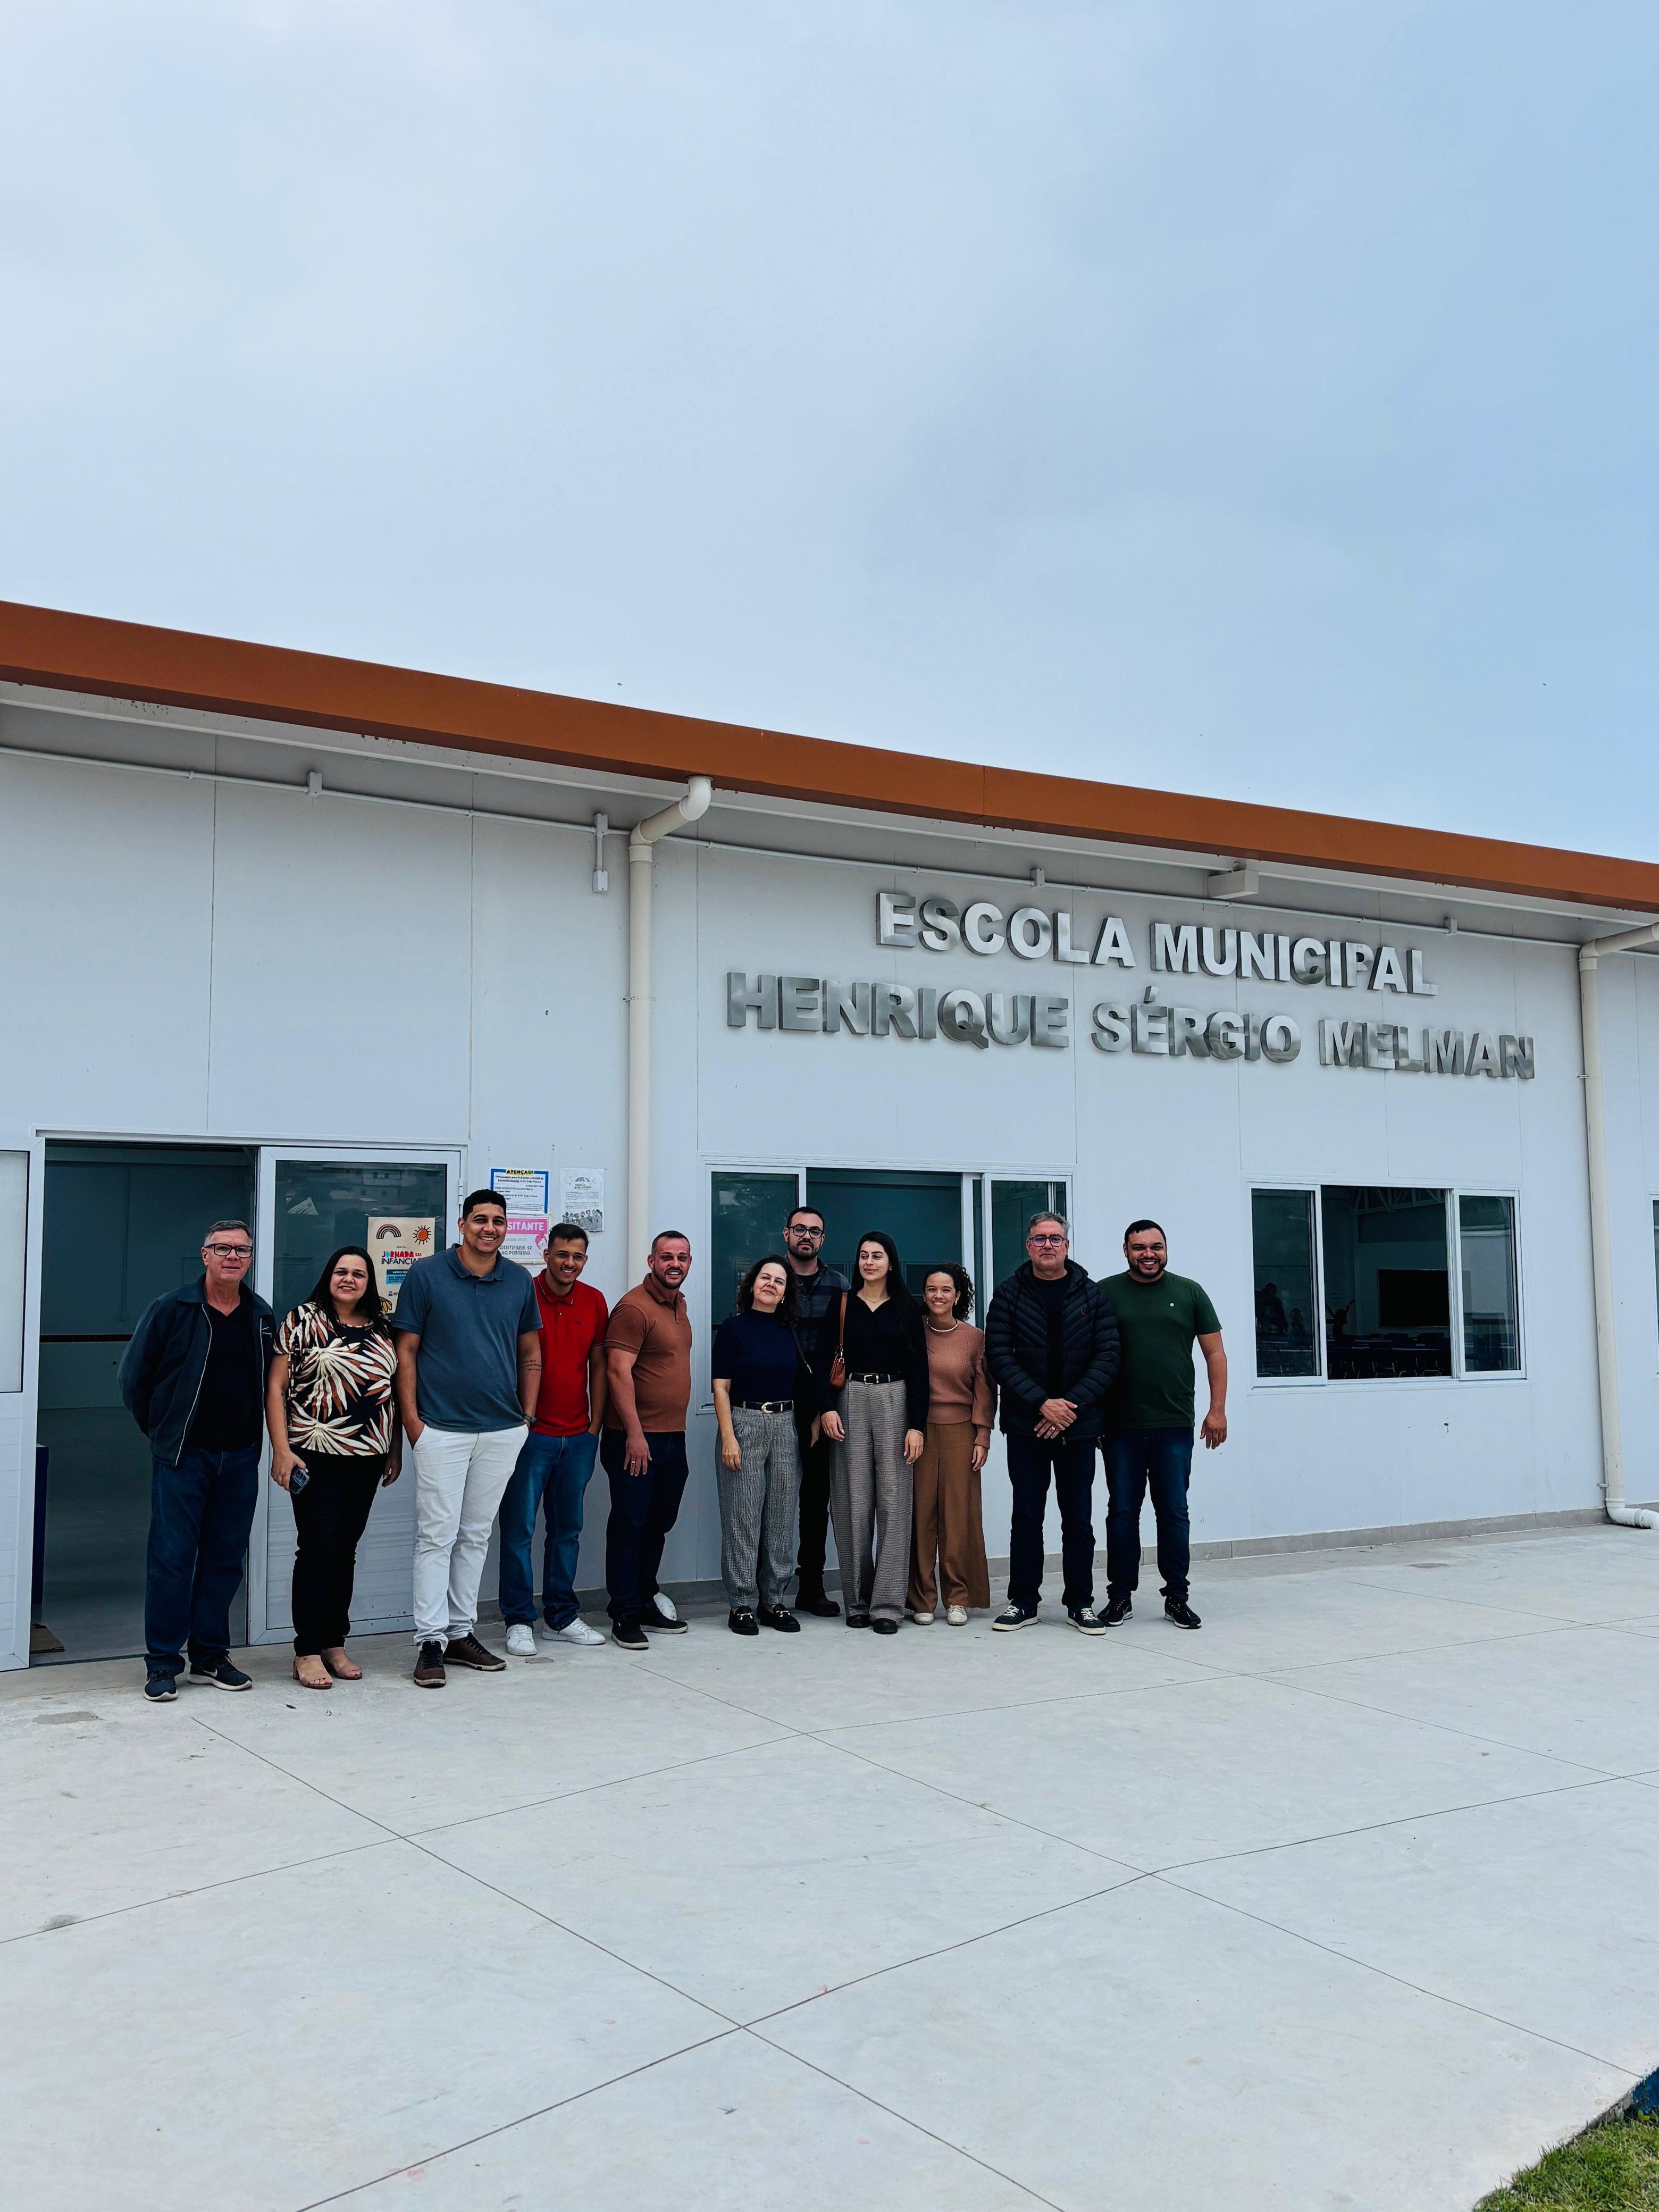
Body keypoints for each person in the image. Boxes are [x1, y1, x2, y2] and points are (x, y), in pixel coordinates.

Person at [119, 1219, 276, 1702]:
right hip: (183, 1458)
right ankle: (163, 1663)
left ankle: (209, 1656)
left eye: (243, 1250)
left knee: (225, 1560)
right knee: (172, 1560)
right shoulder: (173, 1309)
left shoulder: (261, 1316)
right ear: (204, 1255)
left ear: (250, 1259)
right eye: (223, 1248)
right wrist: (164, 1432)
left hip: (240, 1459)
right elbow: (133, 1380)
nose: (233, 1257)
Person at [391, 1189, 542, 1689]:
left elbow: (530, 1353)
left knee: (475, 1536)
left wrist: (526, 1417)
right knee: (437, 1537)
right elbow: (406, 1351)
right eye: (481, 1220)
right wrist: (414, 1424)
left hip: (502, 1431)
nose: (490, 1228)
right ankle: (430, 1641)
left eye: (499, 1221)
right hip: (441, 1429)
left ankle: (461, 1632)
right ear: (461, 1224)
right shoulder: (427, 1274)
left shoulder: (518, 1280)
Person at [266, 1245, 401, 1690]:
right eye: (341, 1272)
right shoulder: (303, 1319)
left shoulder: (383, 1327)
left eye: (359, 1274)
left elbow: (391, 1393)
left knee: (346, 1550)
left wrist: (394, 1448)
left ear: (369, 1282)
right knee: (318, 1547)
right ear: (328, 1276)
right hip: (314, 1454)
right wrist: (281, 1450)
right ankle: (306, 1650)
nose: (349, 1279)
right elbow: (276, 1388)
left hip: (368, 1457)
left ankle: (334, 1643)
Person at [984, 1211, 1119, 1634]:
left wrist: (1067, 1408)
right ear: (1028, 1246)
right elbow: (999, 1356)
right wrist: (1043, 1404)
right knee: (1027, 1515)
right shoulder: (1008, 1295)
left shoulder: (1092, 1295)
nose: (1047, 1245)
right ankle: (1023, 1602)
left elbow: (1108, 1356)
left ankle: (1080, 1603)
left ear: (1066, 1245)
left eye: (1055, 1239)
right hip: (1027, 1426)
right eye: (1039, 1239)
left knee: (1078, 1518)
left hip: (1078, 1428)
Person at [1100, 1219, 1227, 1631]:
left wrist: (1217, 1410)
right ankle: (1120, 1597)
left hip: (1174, 1422)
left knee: (1173, 1512)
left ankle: (1177, 1597)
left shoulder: (1189, 1292)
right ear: (1126, 1251)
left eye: (1156, 1247)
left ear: (1166, 1249)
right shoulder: (1105, 1293)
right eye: (1139, 1247)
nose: (1148, 1254)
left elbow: (1215, 1355)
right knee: (1122, 1513)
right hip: (1120, 1426)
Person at [497, 1222, 609, 1658]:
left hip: (577, 1437)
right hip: (530, 1436)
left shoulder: (594, 1301)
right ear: (546, 1254)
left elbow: (598, 1367)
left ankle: (560, 1618)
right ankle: (519, 1619)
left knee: (568, 1531)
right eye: (562, 1254)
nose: (569, 1264)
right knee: (519, 1530)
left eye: (578, 1257)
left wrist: (594, 1426)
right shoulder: (521, 1293)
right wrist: (518, 1424)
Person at [815, 1230, 927, 1635]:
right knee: (852, 1502)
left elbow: (919, 1372)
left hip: (896, 1398)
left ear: (891, 1262)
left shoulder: (907, 1310)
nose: (869, 1262)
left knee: (895, 1505)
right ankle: (857, 1602)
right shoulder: (842, 1304)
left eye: (877, 1256)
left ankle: (888, 1605)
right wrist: (826, 1409)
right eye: (863, 1255)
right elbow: (821, 1360)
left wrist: (917, 1425)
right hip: (850, 1399)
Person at [603, 1230, 694, 1650]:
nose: (674, 1264)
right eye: (666, 1257)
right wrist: (635, 1436)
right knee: (629, 1525)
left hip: (673, 1437)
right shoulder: (633, 1308)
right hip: (635, 1439)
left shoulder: (679, 1305)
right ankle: (623, 1614)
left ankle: (644, 1599)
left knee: (658, 1525)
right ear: (651, 1261)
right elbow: (618, 1372)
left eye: (682, 1257)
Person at [711, 1255, 805, 1636]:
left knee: (781, 1518)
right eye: (765, 1277)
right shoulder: (733, 1330)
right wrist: (729, 1436)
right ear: (752, 1285)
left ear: (785, 1294)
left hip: (785, 1426)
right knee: (743, 1518)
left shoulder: (790, 1331)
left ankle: (774, 1601)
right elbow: (720, 1387)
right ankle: (741, 1604)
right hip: (744, 1424)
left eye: (779, 1281)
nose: (771, 1284)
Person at [908, 1263, 993, 1626]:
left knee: (960, 1517)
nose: (938, 1296)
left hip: (962, 1432)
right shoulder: (912, 1333)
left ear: (958, 1296)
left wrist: (983, 1436)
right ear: (924, 1295)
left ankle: (957, 1598)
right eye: (931, 1290)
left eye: (946, 1290)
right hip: (918, 1431)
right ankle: (922, 1599)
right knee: (920, 1515)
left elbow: (985, 1391)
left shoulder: (975, 1337)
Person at [782, 1204, 849, 1617]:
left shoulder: (840, 1285)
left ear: (823, 1240)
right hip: (775, 1400)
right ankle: (765, 1590)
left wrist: (826, 1404)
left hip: (824, 1403)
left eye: (815, 1232)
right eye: (800, 1229)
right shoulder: (770, 1279)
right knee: (771, 1498)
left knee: (815, 1497)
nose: (807, 1236)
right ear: (786, 1234)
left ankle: (812, 1586)